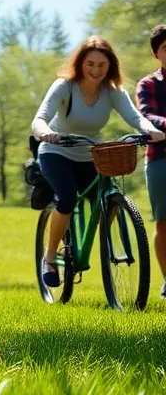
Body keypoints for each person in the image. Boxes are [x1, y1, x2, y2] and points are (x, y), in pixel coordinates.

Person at [32, 35, 165, 289]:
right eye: (90, 64)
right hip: (56, 151)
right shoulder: (65, 86)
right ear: (80, 63)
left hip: (91, 154)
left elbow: (135, 117)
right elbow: (40, 118)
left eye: (101, 65)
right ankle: (49, 258)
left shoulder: (112, 91)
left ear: (110, 66)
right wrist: (44, 132)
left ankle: (89, 244)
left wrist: (151, 130)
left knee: (106, 203)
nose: (95, 70)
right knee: (68, 199)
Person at [134, 24, 166, 298]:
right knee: (164, 221)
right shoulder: (149, 84)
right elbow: (146, 116)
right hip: (160, 160)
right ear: (156, 53)